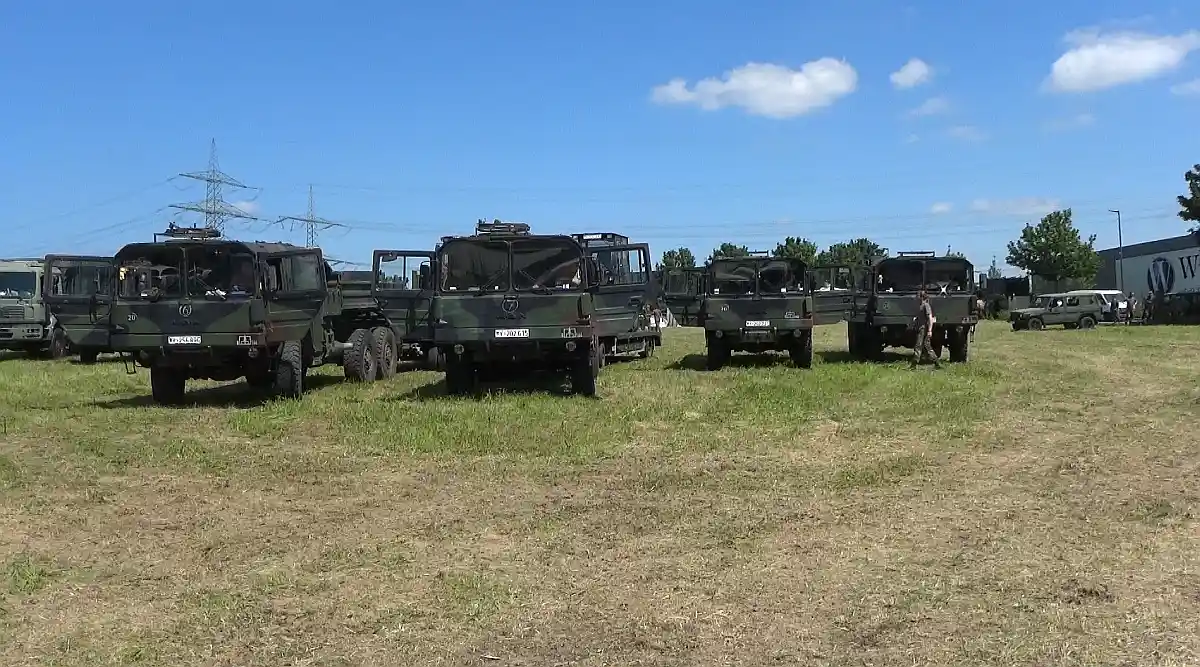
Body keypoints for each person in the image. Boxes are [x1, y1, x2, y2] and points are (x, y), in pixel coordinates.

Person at [911, 289, 940, 369]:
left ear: (921, 297)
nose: (916, 297)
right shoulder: (920, 306)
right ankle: (937, 363)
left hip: (923, 329)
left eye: (918, 296)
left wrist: (929, 330)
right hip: (920, 328)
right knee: (926, 346)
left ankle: (914, 364)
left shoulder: (926, 305)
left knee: (918, 346)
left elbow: (930, 318)